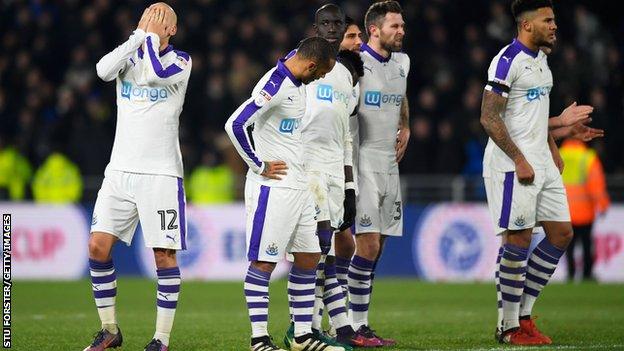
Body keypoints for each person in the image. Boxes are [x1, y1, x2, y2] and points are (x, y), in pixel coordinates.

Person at [224, 37, 342, 351]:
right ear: (311, 66)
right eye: (320, 74)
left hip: (300, 187)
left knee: (308, 257)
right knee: (263, 263)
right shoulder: (275, 87)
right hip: (273, 189)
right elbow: (235, 123)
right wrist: (258, 164)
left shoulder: (297, 67)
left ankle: (302, 337)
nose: (319, 79)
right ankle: (259, 339)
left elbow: (300, 53)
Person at [84, 4, 191, 351]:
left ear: (172, 30)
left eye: (161, 19)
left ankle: (160, 340)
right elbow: (102, 70)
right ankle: (110, 330)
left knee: (164, 255)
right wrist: (137, 38)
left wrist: (148, 38)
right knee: (97, 247)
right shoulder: (130, 54)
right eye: (150, 15)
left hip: (160, 174)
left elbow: (156, 73)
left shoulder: (181, 61)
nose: (153, 21)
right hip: (119, 171)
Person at [481, 0, 587, 345]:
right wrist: (520, 159)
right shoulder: (507, 61)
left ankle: (522, 314)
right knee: (518, 238)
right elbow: (489, 117)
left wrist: (559, 137)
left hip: (541, 161)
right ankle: (508, 327)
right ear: (527, 25)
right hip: (513, 164)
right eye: (548, 20)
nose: (555, 26)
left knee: (561, 234)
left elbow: (534, 120)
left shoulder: (542, 61)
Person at [281, 5, 376, 350]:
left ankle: (330, 328)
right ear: (316, 28)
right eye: (327, 23)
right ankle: (303, 328)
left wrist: (350, 187)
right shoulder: (297, 65)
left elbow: (346, 135)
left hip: (335, 174)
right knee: (313, 256)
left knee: (327, 258)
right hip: (306, 172)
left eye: (339, 23)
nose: (334, 29)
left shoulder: (346, 75)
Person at [349, 1, 409, 346]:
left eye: (402, 26)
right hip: (363, 163)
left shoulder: (403, 62)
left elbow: (400, 95)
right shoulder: (356, 63)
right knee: (367, 244)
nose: (400, 32)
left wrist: (406, 124)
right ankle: (354, 325)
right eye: (394, 27)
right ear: (375, 30)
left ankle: (359, 322)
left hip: (389, 164)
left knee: (378, 247)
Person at [560, 139, 610, 281]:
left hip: (564, 211)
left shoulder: (558, 154)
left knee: (569, 246)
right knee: (587, 245)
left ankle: (570, 274)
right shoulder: (588, 158)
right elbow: (596, 186)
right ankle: (587, 275)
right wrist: (603, 205)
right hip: (585, 212)